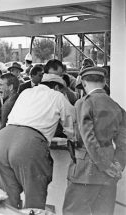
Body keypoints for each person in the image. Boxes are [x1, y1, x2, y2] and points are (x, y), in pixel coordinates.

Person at [0, 73, 75, 210]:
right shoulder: (57, 96)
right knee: (34, 198)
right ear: (57, 87)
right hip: (28, 144)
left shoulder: (26, 92)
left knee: (6, 198)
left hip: (2, 140)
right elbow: (72, 126)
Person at [62, 67, 126, 215]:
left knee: (73, 212)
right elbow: (124, 142)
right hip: (109, 173)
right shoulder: (117, 107)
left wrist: (104, 165)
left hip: (85, 171)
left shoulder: (83, 103)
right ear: (104, 82)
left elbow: (88, 138)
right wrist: (117, 165)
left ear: (84, 83)